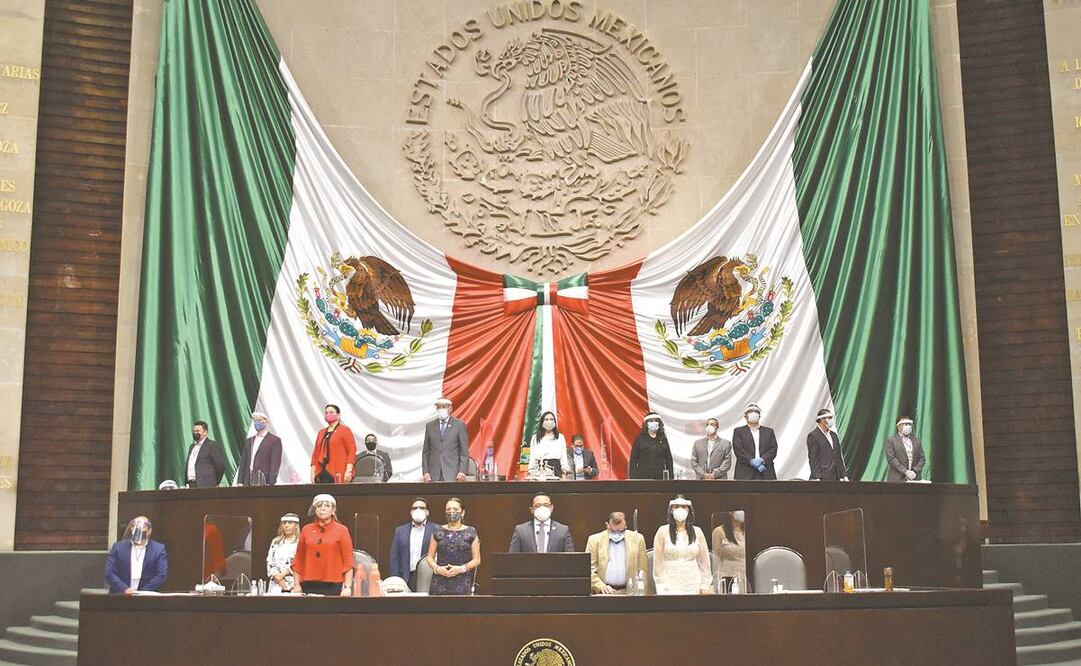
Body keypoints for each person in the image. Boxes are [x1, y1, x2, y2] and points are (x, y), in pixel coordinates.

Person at [291, 494, 354, 595]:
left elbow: (348, 560)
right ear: (315, 509)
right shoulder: (306, 529)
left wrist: (347, 587)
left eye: (327, 506)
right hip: (308, 584)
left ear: (333, 510)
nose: (322, 509)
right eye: (319, 506)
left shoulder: (342, 530)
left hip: (333, 584)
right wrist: (296, 584)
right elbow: (298, 559)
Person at [652, 496, 711, 595]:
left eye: (684, 506)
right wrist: (661, 587)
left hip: (693, 584)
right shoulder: (662, 531)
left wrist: (705, 584)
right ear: (671, 510)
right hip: (669, 586)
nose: (680, 509)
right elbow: (657, 564)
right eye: (676, 506)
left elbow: (705, 563)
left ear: (689, 510)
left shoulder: (698, 531)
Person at [427, 497, 481, 595]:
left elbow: (477, 560)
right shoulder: (437, 531)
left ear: (462, 512)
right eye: (448, 510)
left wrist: (461, 569)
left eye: (455, 509)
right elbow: (430, 557)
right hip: (440, 580)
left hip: (462, 581)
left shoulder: (471, 532)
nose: (451, 512)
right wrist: (437, 569)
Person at [585, 512, 648, 594]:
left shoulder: (637, 539)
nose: (618, 534)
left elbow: (643, 569)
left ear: (625, 526)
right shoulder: (594, 540)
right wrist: (600, 586)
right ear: (607, 525)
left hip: (630, 592)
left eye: (621, 531)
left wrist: (643, 594)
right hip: (604, 592)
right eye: (614, 531)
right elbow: (589, 569)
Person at [105, 516, 168, 594]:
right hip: (121, 596)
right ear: (132, 528)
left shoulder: (158, 549)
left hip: (147, 598)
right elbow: (109, 572)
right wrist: (124, 589)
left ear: (149, 531)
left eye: (143, 527)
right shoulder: (118, 547)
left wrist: (142, 592)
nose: (139, 529)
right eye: (135, 526)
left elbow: (161, 574)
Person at [390, 498, 439, 591]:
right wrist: (395, 581)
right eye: (415, 508)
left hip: (429, 578)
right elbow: (395, 558)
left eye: (422, 508)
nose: (418, 510)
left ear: (427, 512)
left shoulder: (437, 529)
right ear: (411, 512)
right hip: (406, 578)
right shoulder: (400, 531)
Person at [508, 493, 576, 553]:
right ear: (532, 510)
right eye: (538, 505)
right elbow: (512, 558)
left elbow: (570, 558)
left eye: (546, 505)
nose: (542, 508)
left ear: (552, 508)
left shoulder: (563, 530)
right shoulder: (521, 530)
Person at [422, 397, 469, 482]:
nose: (440, 409)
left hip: (453, 474)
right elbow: (426, 452)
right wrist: (425, 472)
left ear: (450, 408)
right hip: (434, 474)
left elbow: (464, 451)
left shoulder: (459, 425)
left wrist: (462, 471)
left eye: (443, 407)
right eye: (438, 407)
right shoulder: (430, 426)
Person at [311, 404, 356, 483]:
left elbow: (352, 451)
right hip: (321, 472)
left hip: (338, 472)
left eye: (331, 412)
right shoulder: (321, 432)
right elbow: (315, 454)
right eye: (326, 412)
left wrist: (349, 470)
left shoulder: (345, 430)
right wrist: (312, 472)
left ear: (338, 415)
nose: (328, 414)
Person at [732, 403, 778, 480]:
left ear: (759, 415)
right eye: (750, 411)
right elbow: (738, 450)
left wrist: (762, 460)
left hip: (765, 471)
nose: (753, 413)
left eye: (756, 411)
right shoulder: (739, 431)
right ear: (745, 416)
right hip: (745, 472)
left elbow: (773, 449)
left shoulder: (769, 431)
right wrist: (751, 461)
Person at [237, 411, 282, 485]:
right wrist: (240, 481)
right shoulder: (249, 441)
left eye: (260, 420)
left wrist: (271, 482)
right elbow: (243, 462)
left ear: (266, 422)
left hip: (263, 480)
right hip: (247, 479)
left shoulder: (274, 440)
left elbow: (275, 463)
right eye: (255, 420)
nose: (257, 423)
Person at [807, 408, 849, 481]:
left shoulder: (834, 435)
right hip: (823, 476)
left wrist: (843, 475)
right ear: (822, 420)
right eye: (829, 418)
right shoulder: (813, 436)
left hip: (836, 476)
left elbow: (838, 457)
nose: (831, 420)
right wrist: (816, 477)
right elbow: (813, 458)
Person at [628, 413, 674, 480]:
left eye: (656, 421)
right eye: (651, 421)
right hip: (643, 479)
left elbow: (668, 460)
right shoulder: (640, 439)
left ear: (659, 423)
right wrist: (633, 478)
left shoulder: (663, 439)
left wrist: (670, 477)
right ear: (646, 424)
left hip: (660, 479)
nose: (654, 423)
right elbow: (633, 460)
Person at [710, 510, 746, 592]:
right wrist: (716, 583)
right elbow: (716, 559)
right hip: (726, 577)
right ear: (730, 513)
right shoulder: (719, 531)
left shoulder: (747, 530)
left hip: (744, 577)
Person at [885, 416, 926, 482]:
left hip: (914, 479)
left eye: (909, 424)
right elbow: (891, 459)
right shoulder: (891, 440)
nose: (908, 426)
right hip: (896, 480)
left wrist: (915, 471)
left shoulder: (916, 440)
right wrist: (905, 472)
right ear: (898, 426)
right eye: (905, 424)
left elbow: (922, 458)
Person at [185, 420, 226, 487]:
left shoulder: (212, 445)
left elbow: (220, 466)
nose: (195, 433)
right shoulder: (192, 446)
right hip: (191, 485)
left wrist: (214, 481)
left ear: (205, 432)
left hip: (206, 485)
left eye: (198, 431)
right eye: (194, 431)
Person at [527, 411, 569, 477]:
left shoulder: (560, 437)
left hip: (556, 469)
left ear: (554, 421)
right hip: (539, 470)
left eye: (551, 419)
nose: (549, 421)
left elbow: (563, 457)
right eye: (546, 419)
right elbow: (532, 457)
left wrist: (564, 471)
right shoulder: (535, 438)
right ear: (542, 422)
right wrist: (530, 470)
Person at [266, 513, 300, 593]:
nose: (286, 525)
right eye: (284, 523)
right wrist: (278, 578)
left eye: (290, 523)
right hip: (276, 583)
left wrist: (284, 574)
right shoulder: (276, 542)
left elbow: (300, 562)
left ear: (296, 526)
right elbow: (270, 561)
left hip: (293, 583)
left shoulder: (300, 542)